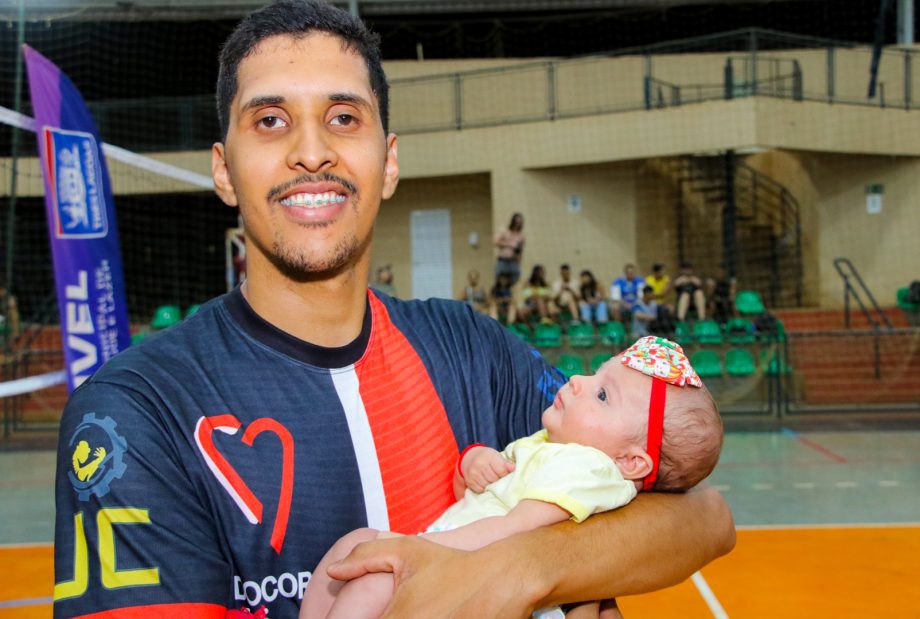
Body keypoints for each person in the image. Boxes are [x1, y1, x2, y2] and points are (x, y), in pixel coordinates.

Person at [52, 3, 734, 618]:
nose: (311, 151)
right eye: (270, 120)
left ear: (389, 162)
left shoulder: (472, 349)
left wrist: (519, 568)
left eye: (344, 118)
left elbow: (702, 517)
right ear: (224, 169)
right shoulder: (136, 410)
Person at [300, 337, 722, 619]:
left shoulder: (588, 469)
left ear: (631, 463)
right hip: (455, 552)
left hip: (464, 565)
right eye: (596, 374)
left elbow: (516, 527)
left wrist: (417, 547)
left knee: (369, 577)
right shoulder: (555, 445)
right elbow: (492, 494)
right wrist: (477, 464)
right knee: (353, 545)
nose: (577, 380)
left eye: (603, 395)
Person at [494, 212, 525, 285]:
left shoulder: (521, 236)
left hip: (513, 261)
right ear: (513, 221)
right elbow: (495, 241)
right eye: (516, 221)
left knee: (515, 280)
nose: (517, 224)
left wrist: (519, 263)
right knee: (500, 281)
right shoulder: (504, 230)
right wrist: (509, 244)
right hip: (503, 260)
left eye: (519, 222)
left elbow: (520, 251)